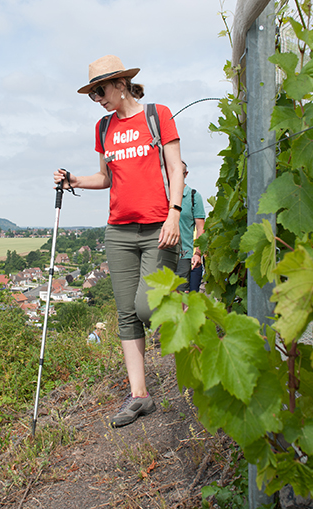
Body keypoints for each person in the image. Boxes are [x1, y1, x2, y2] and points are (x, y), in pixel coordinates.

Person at [54, 55, 183, 428]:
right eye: (93, 94)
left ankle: (188, 314)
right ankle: (139, 396)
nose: (98, 99)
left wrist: (175, 213)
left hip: (160, 225)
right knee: (127, 313)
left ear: (121, 84)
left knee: (146, 308)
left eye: (102, 90)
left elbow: (176, 168)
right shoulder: (103, 128)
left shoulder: (158, 115)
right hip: (119, 230)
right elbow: (106, 178)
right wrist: (75, 180)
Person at [175, 161, 206, 293]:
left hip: (184, 256)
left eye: (179, 173)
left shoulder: (194, 197)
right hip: (162, 255)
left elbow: (201, 228)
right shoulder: (163, 196)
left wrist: (197, 253)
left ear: (186, 174)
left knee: (182, 298)